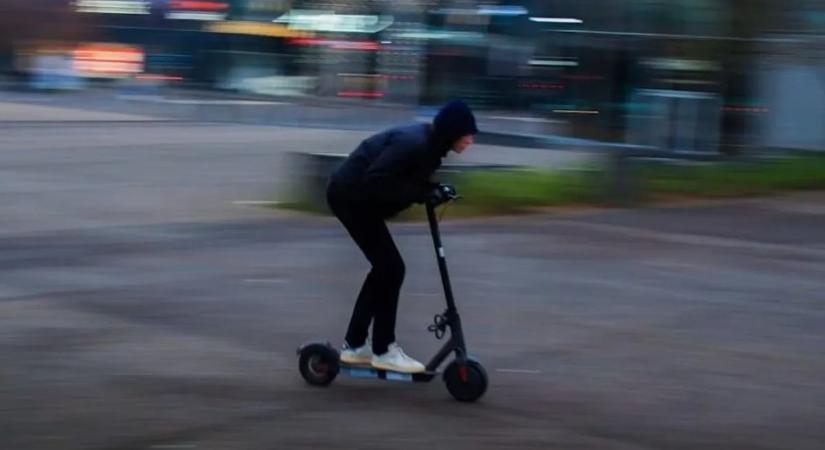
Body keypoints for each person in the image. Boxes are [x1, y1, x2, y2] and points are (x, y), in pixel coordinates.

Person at [326, 99, 478, 373]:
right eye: (467, 134)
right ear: (453, 131)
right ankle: (383, 350)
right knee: (391, 268)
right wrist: (423, 193)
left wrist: (434, 189)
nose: (470, 140)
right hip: (349, 196)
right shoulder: (415, 144)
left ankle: (356, 344)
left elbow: (407, 179)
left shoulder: (431, 146)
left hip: (358, 197)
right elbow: (377, 180)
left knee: (388, 268)